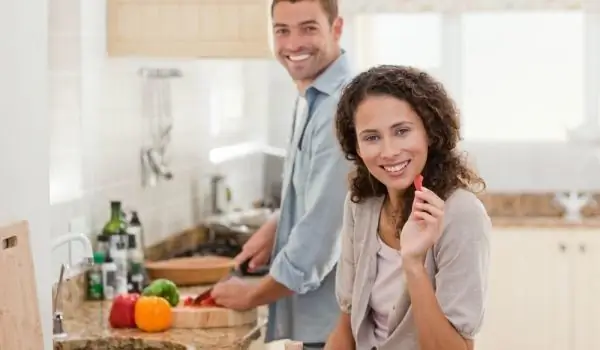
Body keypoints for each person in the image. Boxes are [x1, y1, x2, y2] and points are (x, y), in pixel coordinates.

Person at [210, 0, 354, 347]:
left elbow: (320, 237)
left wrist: (253, 295)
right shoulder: (313, 96)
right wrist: (276, 228)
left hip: (340, 330)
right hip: (323, 324)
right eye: (282, 30)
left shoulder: (341, 108)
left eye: (308, 28)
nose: (292, 45)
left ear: (336, 29)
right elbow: (317, 192)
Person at [324, 65, 492, 350]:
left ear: (429, 132)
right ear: (357, 146)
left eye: (401, 131)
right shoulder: (362, 204)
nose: (388, 151)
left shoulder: (461, 215)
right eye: (372, 137)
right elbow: (347, 328)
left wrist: (413, 264)